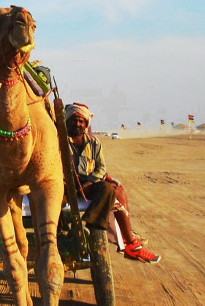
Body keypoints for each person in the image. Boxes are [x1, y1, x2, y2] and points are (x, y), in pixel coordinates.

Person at [66, 103, 160, 263]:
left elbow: (101, 168)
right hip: (65, 185)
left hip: (88, 184)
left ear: (86, 123)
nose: (78, 124)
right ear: (67, 121)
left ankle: (92, 227)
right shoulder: (58, 141)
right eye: (74, 120)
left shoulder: (94, 143)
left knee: (110, 189)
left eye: (82, 121)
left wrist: (89, 182)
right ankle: (129, 241)